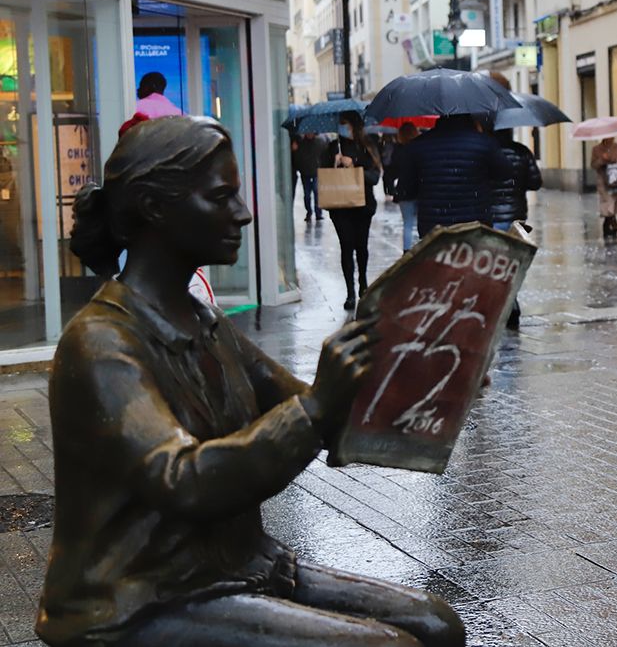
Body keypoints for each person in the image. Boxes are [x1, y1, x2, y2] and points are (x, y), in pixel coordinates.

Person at [39, 115, 464, 647]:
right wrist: (313, 412)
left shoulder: (205, 322)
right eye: (221, 198)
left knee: (435, 623)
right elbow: (183, 481)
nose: (242, 215)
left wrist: (433, 379)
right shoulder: (101, 343)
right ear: (154, 209)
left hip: (231, 569)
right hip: (136, 600)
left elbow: (322, 412)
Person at [395, 114, 513, 238]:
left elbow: (406, 190)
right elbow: (505, 173)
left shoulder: (417, 146)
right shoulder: (485, 143)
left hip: (434, 230)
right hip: (475, 226)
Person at [322, 111, 382, 311]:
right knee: (346, 246)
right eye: (340, 124)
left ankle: (363, 283)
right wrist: (334, 163)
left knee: (361, 246)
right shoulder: (332, 147)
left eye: (345, 124)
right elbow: (322, 175)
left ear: (355, 125)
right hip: (340, 208)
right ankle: (350, 292)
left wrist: (354, 165)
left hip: (362, 206)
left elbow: (374, 177)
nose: (342, 128)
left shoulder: (367, 145)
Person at [491, 128, 542, 329]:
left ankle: (508, 307)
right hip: (517, 216)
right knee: (512, 262)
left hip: (493, 216)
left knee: (498, 264)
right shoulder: (522, 151)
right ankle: (511, 306)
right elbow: (536, 182)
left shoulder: (488, 151)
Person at [385, 123, 421, 252]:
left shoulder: (399, 151)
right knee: (421, 223)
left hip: (404, 190)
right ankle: (421, 248)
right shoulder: (420, 148)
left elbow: (392, 172)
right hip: (420, 190)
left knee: (408, 224)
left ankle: (407, 251)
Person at [590, 137, 617, 238]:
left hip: (616, 179)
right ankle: (611, 222)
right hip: (603, 180)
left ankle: (609, 221)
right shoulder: (596, 149)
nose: (611, 139)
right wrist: (602, 160)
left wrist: (616, 160)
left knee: (614, 202)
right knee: (607, 202)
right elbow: (593, 165)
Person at [295, 132, 327, 222]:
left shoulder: (320, 142)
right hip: (305, 173)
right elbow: (297, 157)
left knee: (317, 192)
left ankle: (318, 213)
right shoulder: (301, 143)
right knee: (307, 195)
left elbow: (324, 155)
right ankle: (309, 212)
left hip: (316, 172)